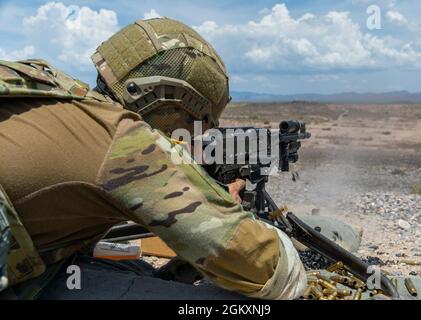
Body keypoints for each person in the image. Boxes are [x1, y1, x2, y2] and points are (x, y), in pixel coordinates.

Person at [0, 17, 307, 299]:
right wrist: (216, 201)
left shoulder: (45, 88)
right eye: (196, 123)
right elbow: (268, 268)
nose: (195, 136)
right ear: (171, 102)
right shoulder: (123, 142)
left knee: (135, 270)